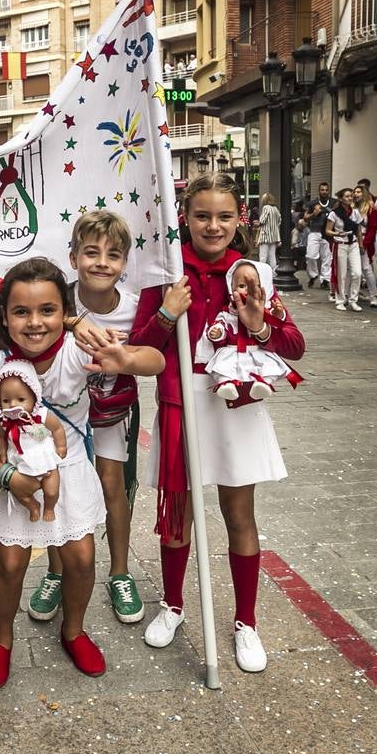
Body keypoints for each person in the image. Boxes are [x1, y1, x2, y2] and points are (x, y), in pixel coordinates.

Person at [130, 172, 305, 674]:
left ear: (238, 220)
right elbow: (144, 345)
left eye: (224, 216)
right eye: (202, 215)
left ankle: (246, 622)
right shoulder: (165, 271)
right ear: (184, 218)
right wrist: (167, 313)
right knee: (177, 516)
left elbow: (294, 346)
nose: (213, 225)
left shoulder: (251, 273)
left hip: (235, 407)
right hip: (182, 404)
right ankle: (173, 606)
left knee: (239, 515)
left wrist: (259, 325)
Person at [0, 257, 164, 689]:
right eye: (21, 312)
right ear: (4, 315)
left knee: (81, 559)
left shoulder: (82, 347)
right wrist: (8, 479)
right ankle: (1, 639)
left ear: (64, 311)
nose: (35, 323)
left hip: (70, 467)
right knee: (10, 562)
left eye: (48, 310)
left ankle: (73, 630)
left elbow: (157, 362)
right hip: (10, 475)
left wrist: (122, 360)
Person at [201, 259, 300, 401]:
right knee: (224, 365)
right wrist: (217, 332)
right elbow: (221, 324)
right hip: (232, 350)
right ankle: (226, 383)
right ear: (231, 287)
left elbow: (293, 342)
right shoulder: (228, 312)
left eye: (253, 286)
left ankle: (264, 383)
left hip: (256, 350)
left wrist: (272, 318)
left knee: (268, 365)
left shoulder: (265, 306)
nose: (247, 290)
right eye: (241, 285)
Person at [0, 361, 66, 522]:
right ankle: (32, 505)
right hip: (21, 463)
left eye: (20, 399)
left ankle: (49, 507)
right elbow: (0, 438)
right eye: (6, 401)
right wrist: (2, 455)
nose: (13, 405)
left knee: (52, 490)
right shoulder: (4, 421)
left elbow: (57, 428)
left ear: (34, 396)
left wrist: (61, 445)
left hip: (44, 459)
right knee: (20, 493)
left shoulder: (41, 415)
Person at [325, 188, 363, 312]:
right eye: (347, 196)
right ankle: (340, 300)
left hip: (353, 244)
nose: (350, 198)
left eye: (351, 196)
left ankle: (353, 300)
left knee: (357, 273)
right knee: (341, 274)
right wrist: (337, 233)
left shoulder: (355, 213)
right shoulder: (334, 213)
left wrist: (361, 245)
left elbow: (358, 230)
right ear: (341, 198)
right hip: (340, 244)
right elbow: (327, 230)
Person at [354, 185, 377, 307]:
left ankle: (373, 295)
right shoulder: (352, 208)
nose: (356, 194)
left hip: (365, 240)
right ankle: (354, 293)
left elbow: (372, 229)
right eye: (355, 192)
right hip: (352, 240)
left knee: (366, 268)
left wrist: (364, 244)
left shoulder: (371, 209)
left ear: (364, 194)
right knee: (352, 269)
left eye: (359, 192)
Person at [304, 182, 333, 288]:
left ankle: (325, 280)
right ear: (319, 191)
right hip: (314, 231)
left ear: (328, 191)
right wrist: (314, 214)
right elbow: (305, 218)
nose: (324, 192)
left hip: (327, 232)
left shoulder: (333, 202)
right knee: (311, 255)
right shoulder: (312, 203)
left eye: (326, 190)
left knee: (327, 257)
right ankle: (313, 275)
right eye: (322, 190)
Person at [256, 193, 281, 276]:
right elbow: (279, 220)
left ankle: (261, 274)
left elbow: (262, 220)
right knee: (272, 256)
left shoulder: (266, 208)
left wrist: (257, 223)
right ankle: (273, 273)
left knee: (263, 256)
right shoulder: (275, 209)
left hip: (265, 235)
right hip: (274, 236)